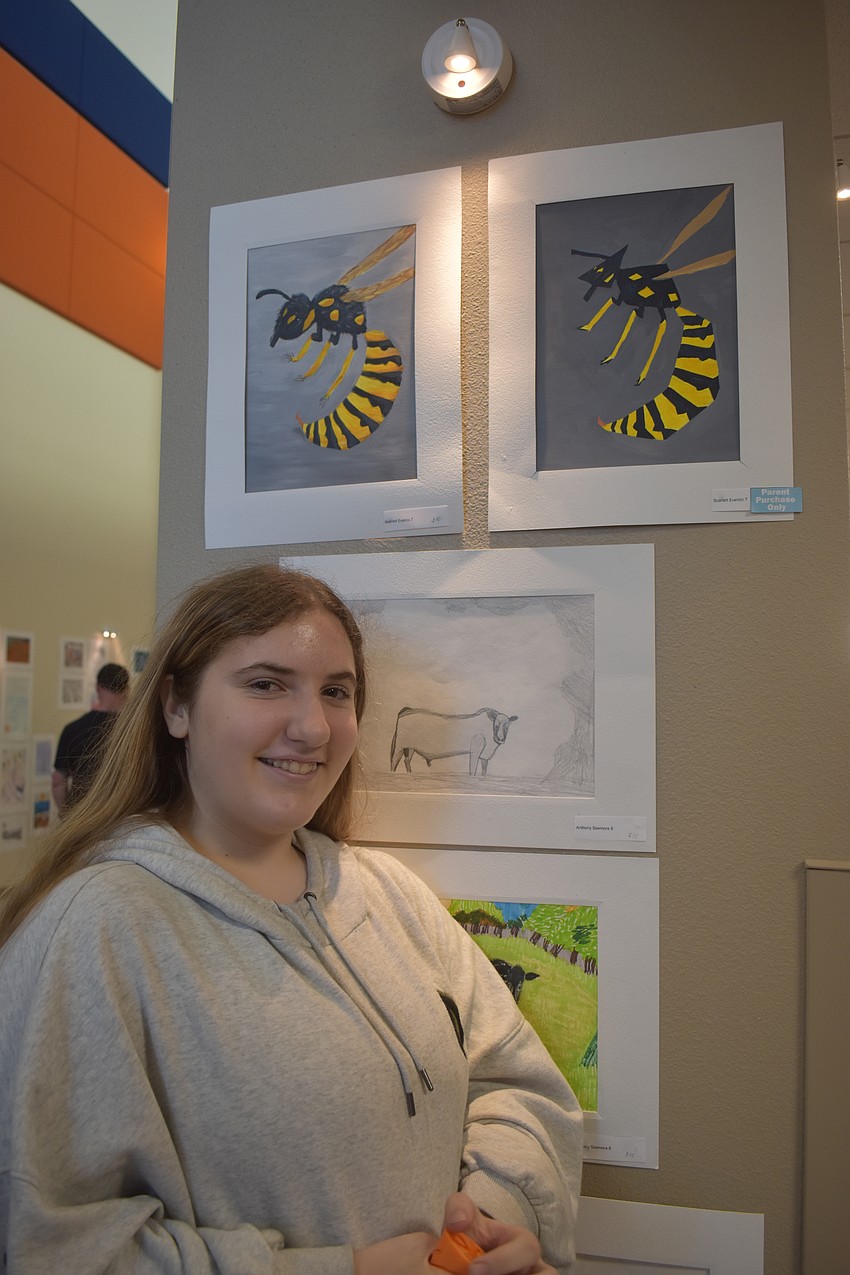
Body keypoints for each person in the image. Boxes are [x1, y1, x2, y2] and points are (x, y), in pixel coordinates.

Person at [0, 564, 583, 1274]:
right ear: (176, 706)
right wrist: (345, 1269)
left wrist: (490, 1220)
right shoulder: (97, 929)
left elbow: (513, 1080)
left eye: (336, 691)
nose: (312, 726)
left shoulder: (389, 892)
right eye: (267, 683)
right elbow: (56, 1245)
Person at [52, 661, 130, 811]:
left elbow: (58, 781)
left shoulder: (72, 729)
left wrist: (67, 818)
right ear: (126, 689)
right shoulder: (132, 731)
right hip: (121, 816)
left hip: (82, 815)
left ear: (98, 687)